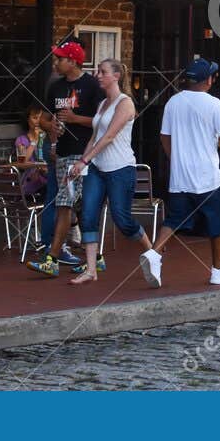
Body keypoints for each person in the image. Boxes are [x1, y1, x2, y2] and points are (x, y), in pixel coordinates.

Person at [142, 57, 220, 287]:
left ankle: (154, 253)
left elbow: (165, 137)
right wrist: (219, 144)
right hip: (208, 176)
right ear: (208, 80)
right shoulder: (214, 104)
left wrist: (175, 158)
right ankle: (218, 269)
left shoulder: (173, 102)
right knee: (218, 224)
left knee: (175, 218)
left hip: (181, 175)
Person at [67, 59, 155, 285]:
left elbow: (109, 137)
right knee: (87, 215)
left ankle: (152, 253)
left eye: (102, 72)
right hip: (97, 168)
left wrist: (84, 160)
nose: (98, 75)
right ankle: (91, 269)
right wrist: (82, 162)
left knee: (122, 219)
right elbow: (95, 137)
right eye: (98, 71)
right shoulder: (102, 104)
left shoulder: (125, 104)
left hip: (120, 168)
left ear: (116, 76)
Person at [27, 40, 103, 277]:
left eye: (60, 59)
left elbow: (103, 122)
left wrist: (74, 119)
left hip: (82, 154)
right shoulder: (56, 87)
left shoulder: (92, 86)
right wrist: (53, 131)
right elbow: (45, 119)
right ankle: (96, 258)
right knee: (76, 205)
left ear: (73, 61)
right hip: (61, 152)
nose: (56, 63)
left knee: (64, 204)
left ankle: (52, 259)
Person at [15, 103, 52, 201]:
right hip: (32, 183)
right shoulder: (21, 140)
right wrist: (34, 140)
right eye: (35, 118)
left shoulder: (49, 138)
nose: (38, 122)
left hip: (48, 178)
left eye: (41, 118)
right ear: (28, 119)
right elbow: (21, 163)